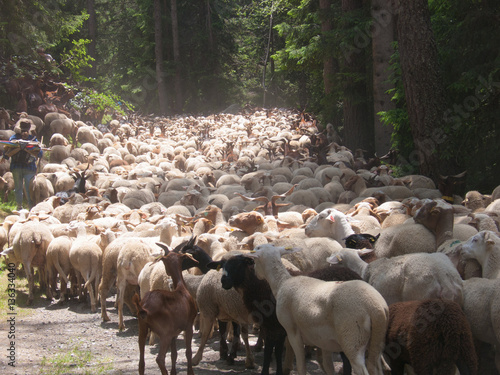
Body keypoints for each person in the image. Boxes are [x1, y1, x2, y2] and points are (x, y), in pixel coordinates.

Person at [0, 119, 43, 210]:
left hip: (16, 167)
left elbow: (7, 150)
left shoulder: (14, 138)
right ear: (29, 129)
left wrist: (5, 157)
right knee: (28, 187)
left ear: (20, 128)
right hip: (29, 167)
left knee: (18, 187)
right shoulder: (33, 139)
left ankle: (19, 207)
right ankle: (30, 207)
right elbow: (40, 154)